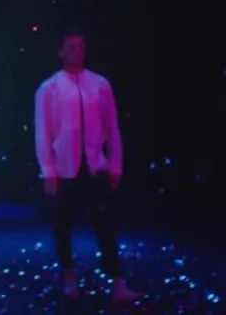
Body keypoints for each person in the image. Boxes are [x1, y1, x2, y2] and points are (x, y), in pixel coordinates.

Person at [34, 28, 141, 300]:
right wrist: (48, 170)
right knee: (62, 227)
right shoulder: (49, 87)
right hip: (64, 168)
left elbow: (112, 127)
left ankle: (117, 282)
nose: (77, 51)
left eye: (81, 46)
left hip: (95, 166)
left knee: (105, 224)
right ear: (61, 52)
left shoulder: (100, 84)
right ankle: (69, 276)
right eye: (71, 47)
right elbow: (42, 132)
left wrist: (115, 164)